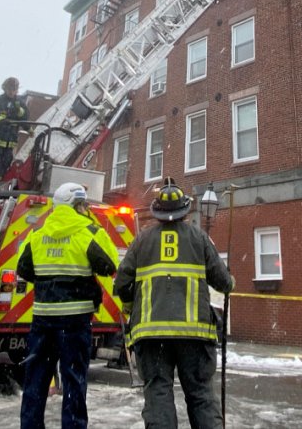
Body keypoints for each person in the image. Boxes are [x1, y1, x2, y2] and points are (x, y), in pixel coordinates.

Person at [115, 181, 234, 429]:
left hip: (151, 335)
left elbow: (122, 283)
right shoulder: (199, 238)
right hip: (195, 334)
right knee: (200, 395)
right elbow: (223, 282)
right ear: (185, 211)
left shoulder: (142, 240)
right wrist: (230, 281)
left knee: (158, 393)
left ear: (157, 212)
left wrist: (129, 305)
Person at [17, 182, 118, 429]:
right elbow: (109, 265)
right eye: (83, 204)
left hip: (42, 318)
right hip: (75, 320)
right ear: (78, 205)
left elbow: (24, 269)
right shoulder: (89, 232)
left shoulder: (37, 234)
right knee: (73, 379)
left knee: (36, 378)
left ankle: (30, 425)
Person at [0, 76, 29, 190]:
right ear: (5, 88)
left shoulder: (19, 103)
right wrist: (0, 120)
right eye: (10, 89)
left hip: (9, 143)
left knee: (5, 166)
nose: (12, 92)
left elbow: (25, 118)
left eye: (14, 89)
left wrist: (28, 127)